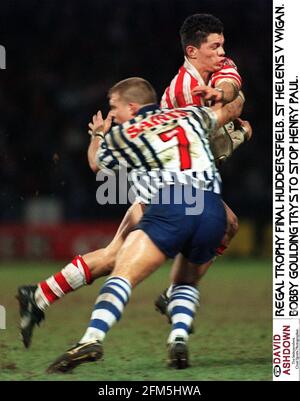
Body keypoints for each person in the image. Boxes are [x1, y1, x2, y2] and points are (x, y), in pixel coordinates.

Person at [16, 13, 251, 349]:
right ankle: (175, 294)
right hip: (164, 185)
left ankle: (38, 295)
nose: (222, 52)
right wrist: (232, 136)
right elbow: (199, 134)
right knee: (223, 223)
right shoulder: (183, 92)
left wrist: (224, 96)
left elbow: (233, 92)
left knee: (116, 254)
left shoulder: (218, 68)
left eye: (221, 45)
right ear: (193, 50)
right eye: (215, 46)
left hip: (174, 181)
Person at [46, 76, 245, 373]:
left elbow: (95, 163)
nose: (113, 113)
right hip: (213, 208)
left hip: (173, 205)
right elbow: (233, 108)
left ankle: (92, 338)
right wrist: (224, 89)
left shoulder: (125, 133)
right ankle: (178, 337)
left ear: (132, 106)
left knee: (122, 274)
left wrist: (99, 135)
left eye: (114, 107)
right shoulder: (189, 114)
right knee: (185, 281)